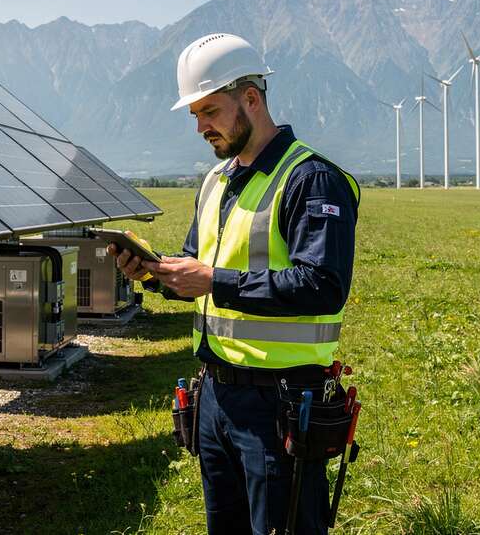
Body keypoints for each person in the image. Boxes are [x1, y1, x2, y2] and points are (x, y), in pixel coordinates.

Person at [109, 33, 360, 535]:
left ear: (251, 98)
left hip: (281, 403)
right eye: (195, 115)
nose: (201, 126)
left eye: (210, 111)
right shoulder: (216, 181)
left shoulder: (311, 180)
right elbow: (197, 267)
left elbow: (322, 285)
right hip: (215, 399)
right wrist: (157, 275)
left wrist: (214, 281)